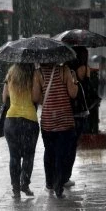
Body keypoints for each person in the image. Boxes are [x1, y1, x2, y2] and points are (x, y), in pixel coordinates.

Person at [39, 63, 78, 198]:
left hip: (47, 121)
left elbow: (37, 98)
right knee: (62, 153)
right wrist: (75, 80)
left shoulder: (39, 72)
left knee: (49, 152)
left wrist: (48, 100)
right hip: (64, 120)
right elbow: (73, 94)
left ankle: (49, 182)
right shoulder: (64, 70)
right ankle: (59, 184)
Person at [2, 63, 42, 199]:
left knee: (14, 156)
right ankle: (25, 184)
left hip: (11, 120)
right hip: (29, 120)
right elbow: (36, 98)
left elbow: (4, 97)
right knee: (28, 155)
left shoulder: (10, 73)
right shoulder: (34, 74)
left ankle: (16, 189)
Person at [64, 47, 91, 187]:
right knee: (72, 146)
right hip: (79, 112)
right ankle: (66, 176)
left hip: (67, 110)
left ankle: (59, 175)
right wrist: (87, 76)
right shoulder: (83, 69)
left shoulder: (66, 68)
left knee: (64, 145)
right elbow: (87, 90)